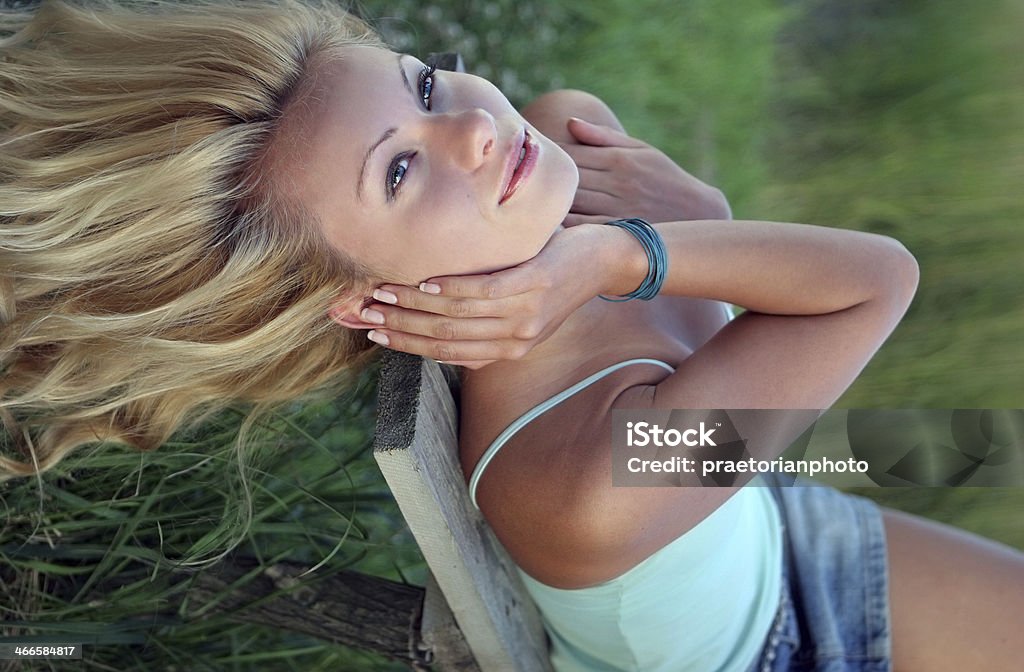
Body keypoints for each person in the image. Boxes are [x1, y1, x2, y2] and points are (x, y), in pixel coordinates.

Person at [1, 1, 1021, 670]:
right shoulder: (584, 488)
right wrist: (649, 246)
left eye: (424, 87)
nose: (475, 130)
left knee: (976, 445)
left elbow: (574, 116)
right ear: (363, 303)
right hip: (783, 642)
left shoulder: (555, 174)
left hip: (779, 524)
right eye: (399, 172)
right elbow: (877, 282)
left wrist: (668, 233)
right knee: (964, 442)